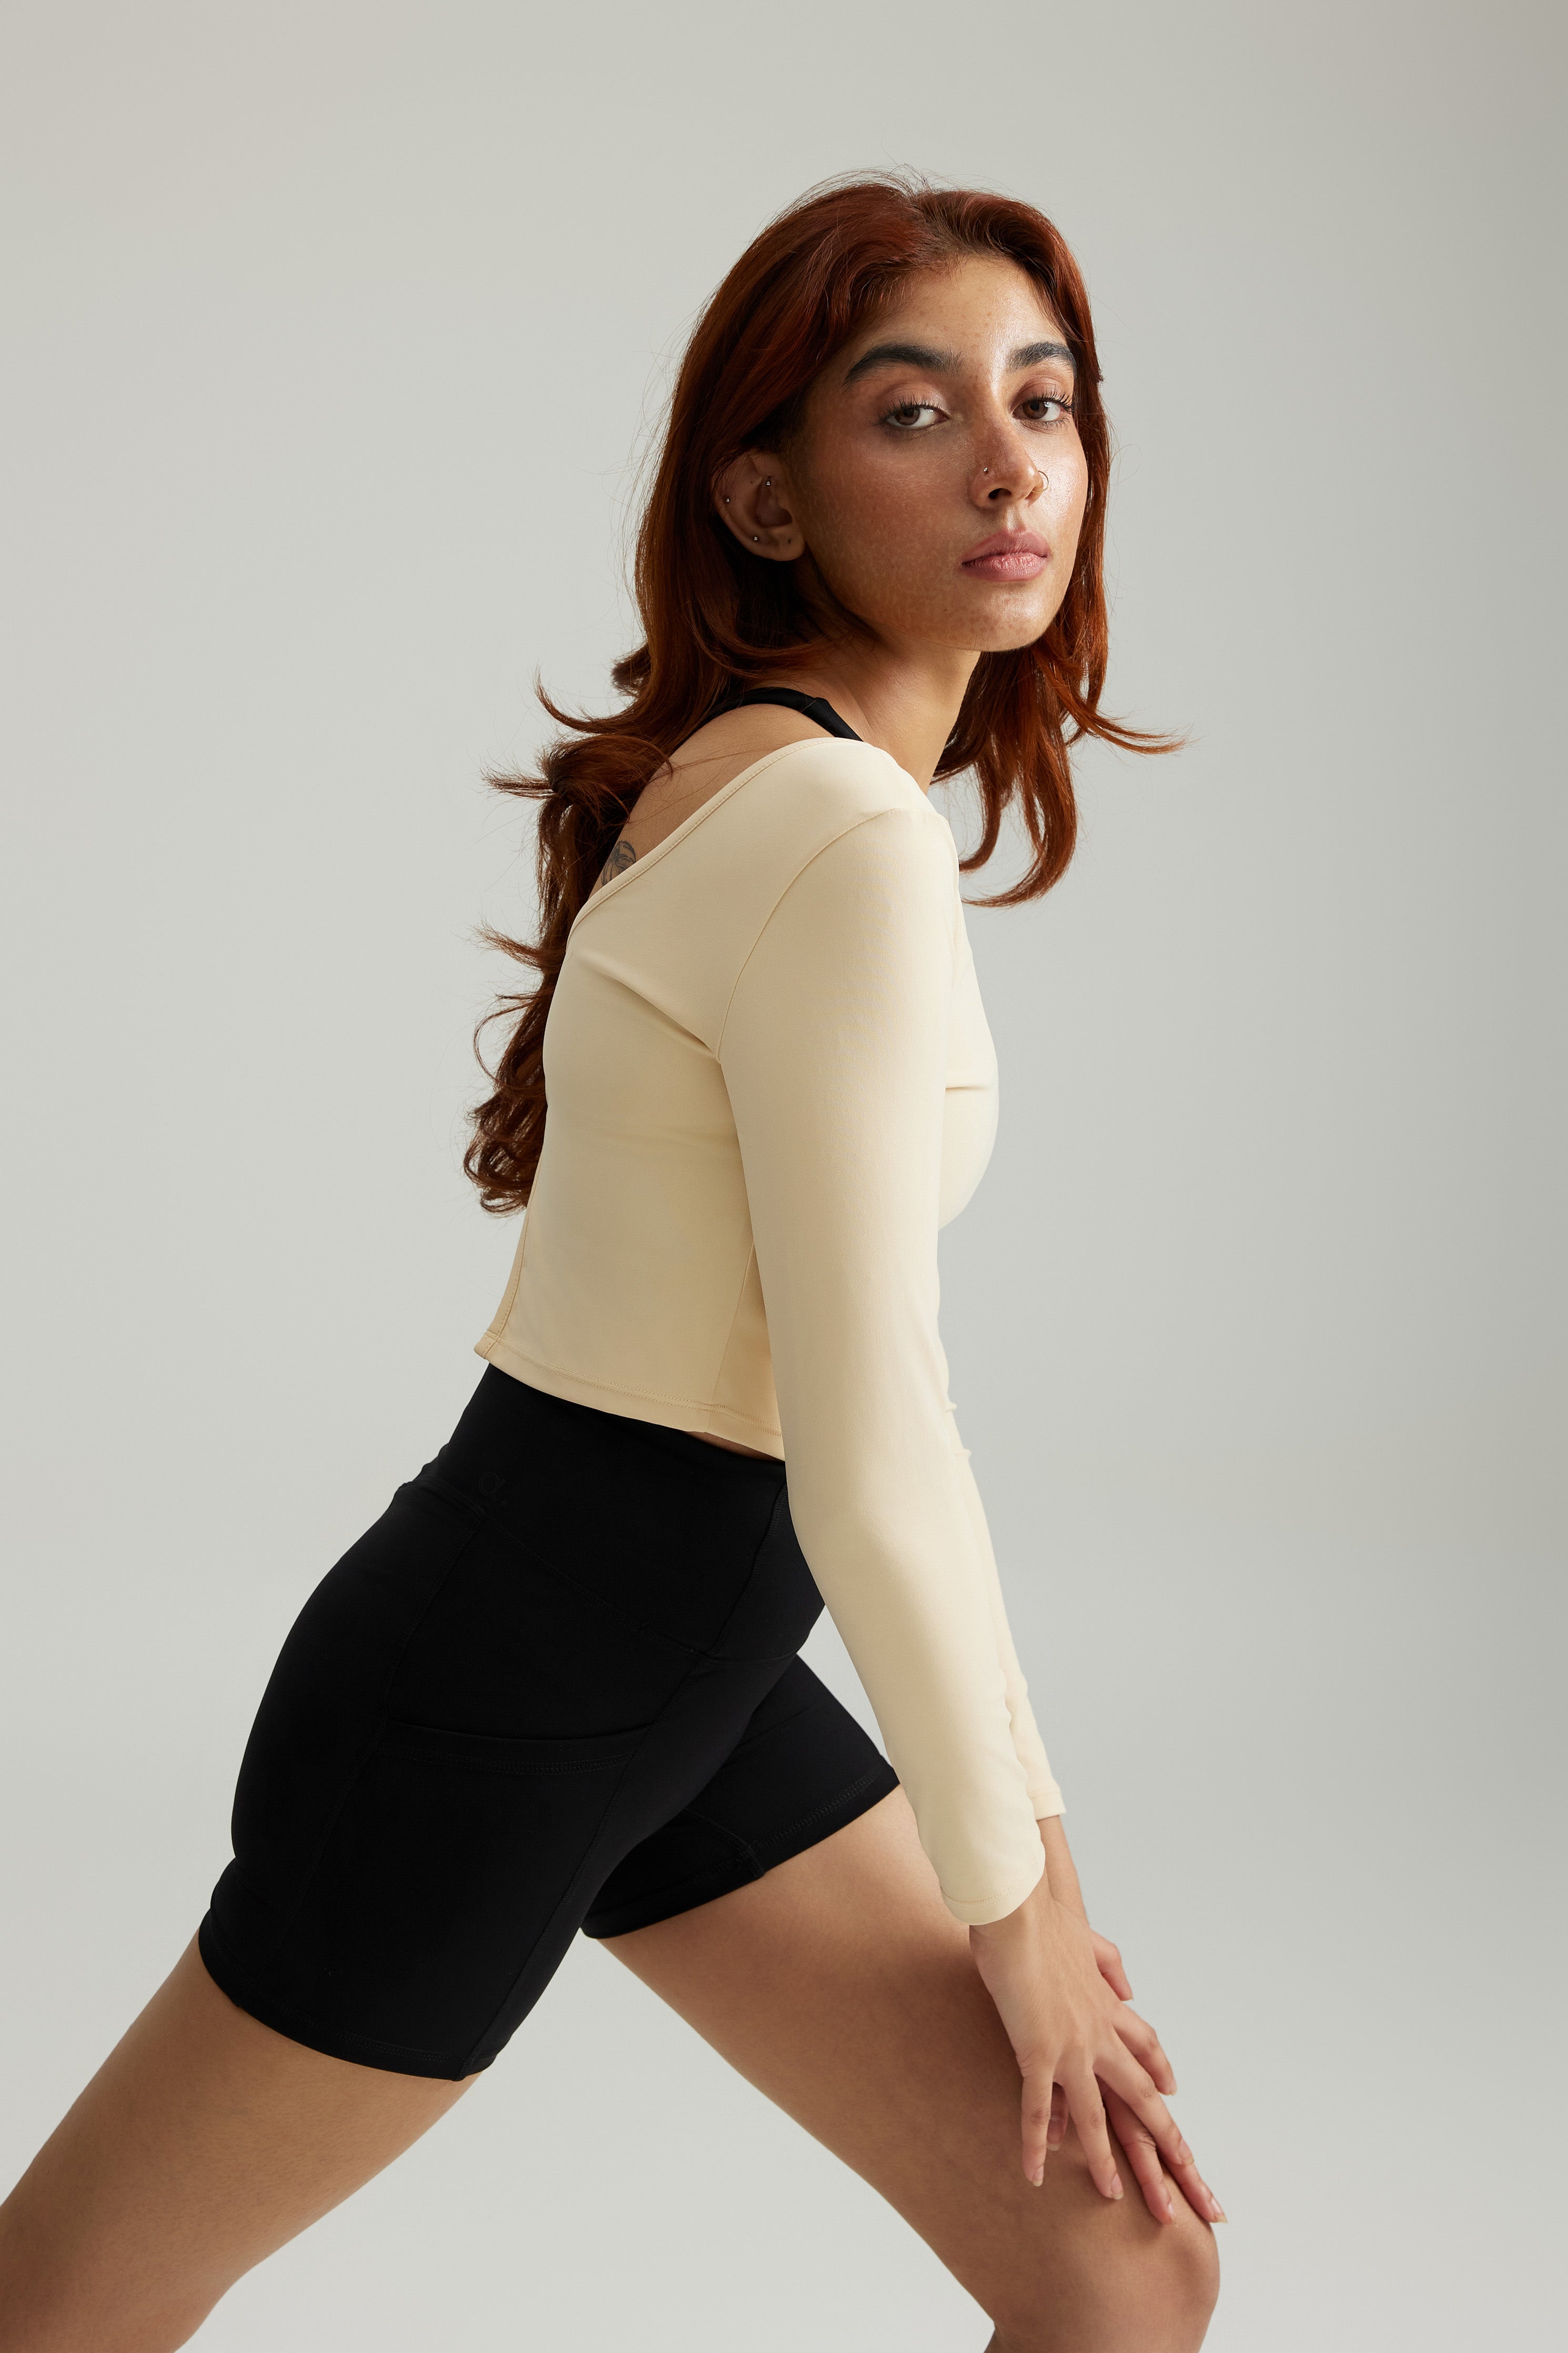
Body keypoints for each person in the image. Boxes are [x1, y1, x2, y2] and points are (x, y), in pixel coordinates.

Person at [0, 175, 1223, 2352]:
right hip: (505, 1694)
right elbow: (874, 1448)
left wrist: (1019, 1874)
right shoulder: (832, 829)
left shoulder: (777, 779)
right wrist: (1019, 1895)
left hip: (674, 1669)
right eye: (915, 409)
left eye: (1043, 401)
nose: (1009, 461)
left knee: (1114, 2264)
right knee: (59, 2309)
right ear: (764, 496)